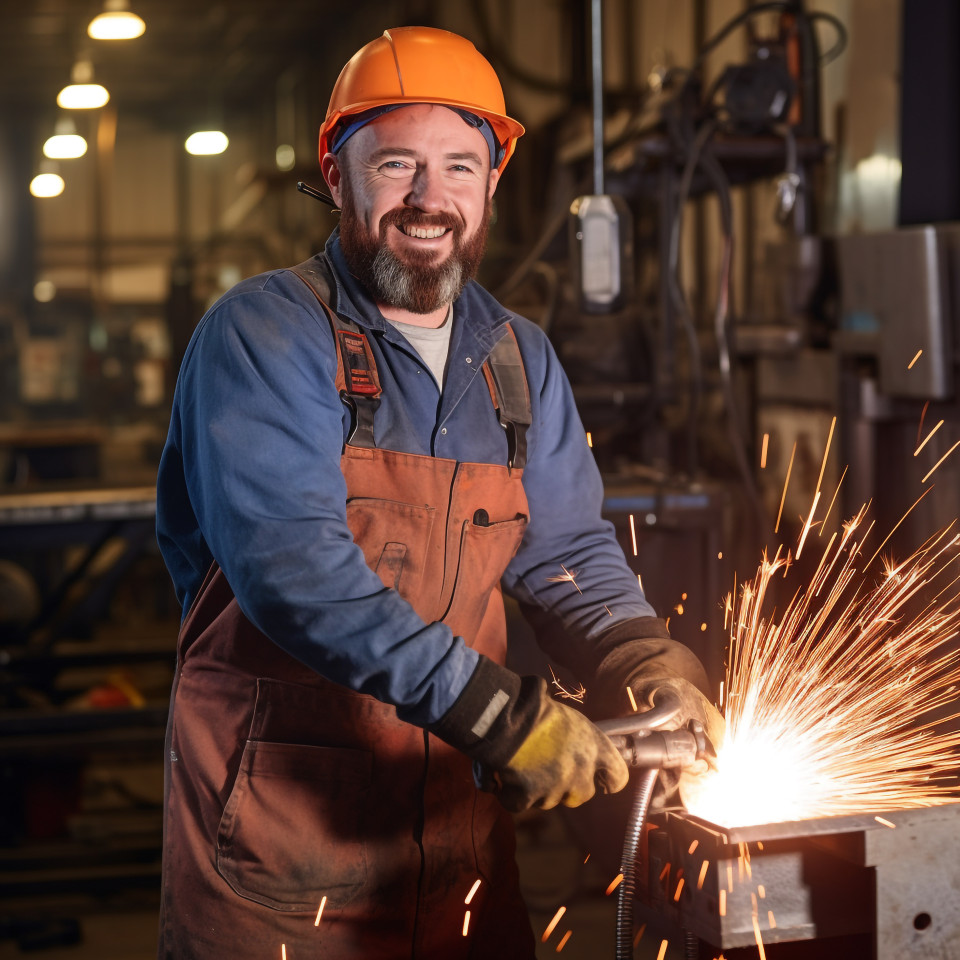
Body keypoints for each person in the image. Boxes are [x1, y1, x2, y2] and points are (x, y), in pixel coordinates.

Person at [155, 25, 722, 960]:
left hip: (456, 841)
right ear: (337, 175)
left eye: (459, 166)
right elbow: (297, 573)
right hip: (278, 848)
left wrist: (641, 657)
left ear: (492, 182)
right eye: (397, 166)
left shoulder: (517, 358)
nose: (430, 199)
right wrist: (502, 715)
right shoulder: (263, 336)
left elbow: (569, 553)